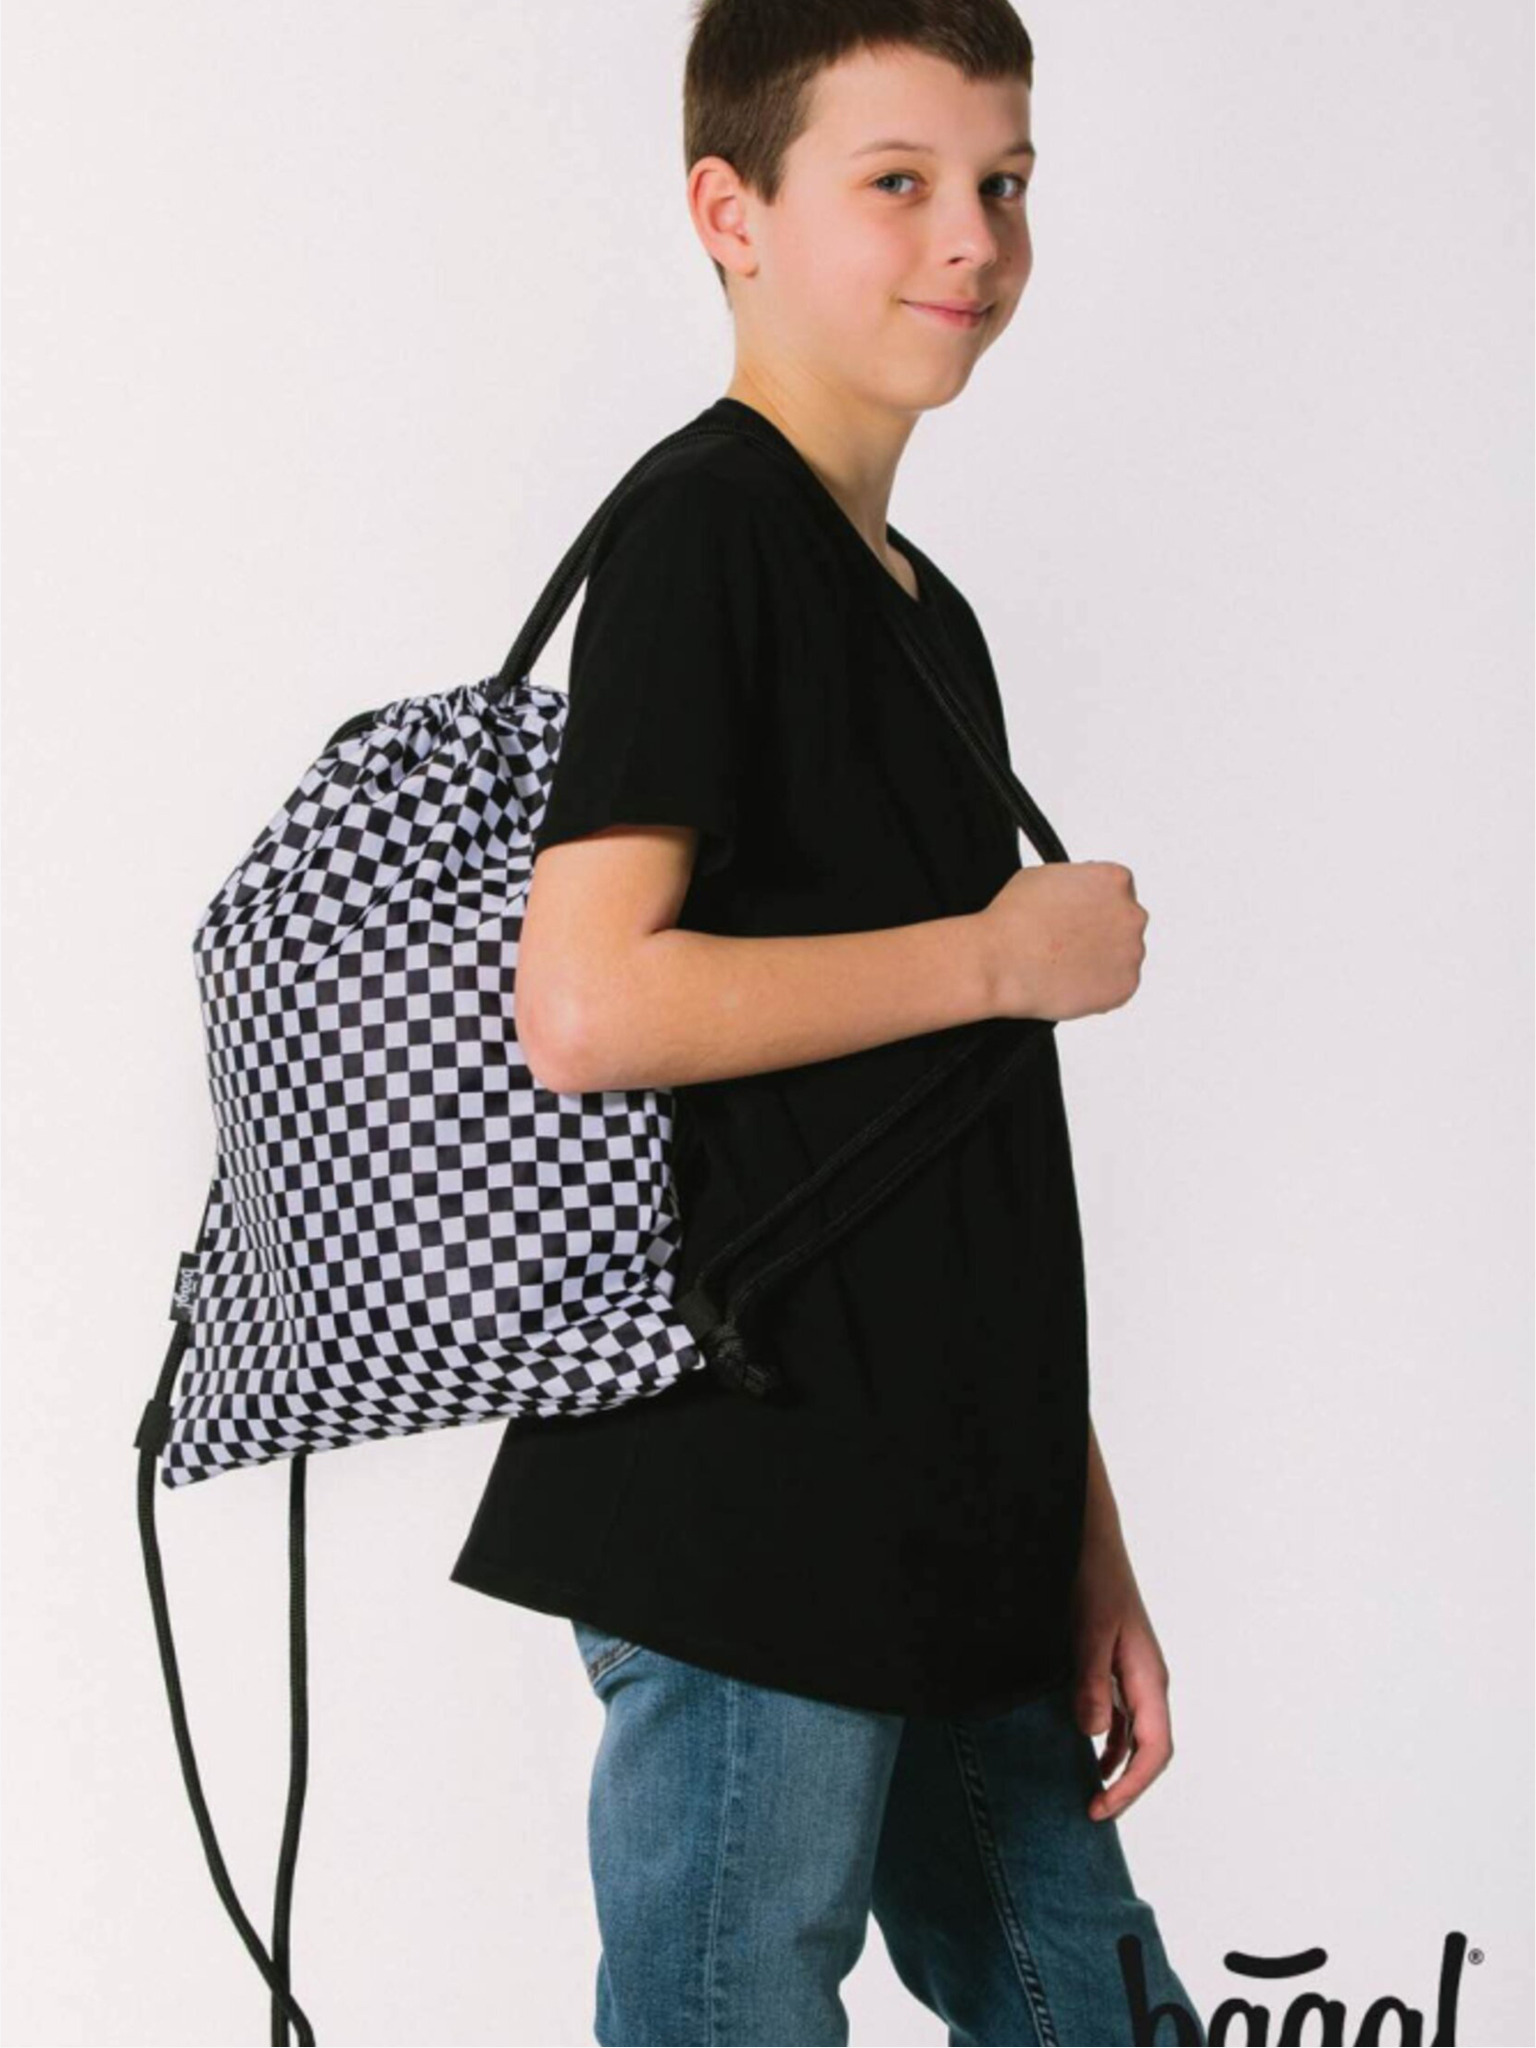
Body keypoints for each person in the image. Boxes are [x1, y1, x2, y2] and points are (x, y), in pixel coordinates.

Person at [451, 4, 1206, 2042]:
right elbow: (587, 999)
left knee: (1089, 2003)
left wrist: (1078, 1538)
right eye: (898, 182)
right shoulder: (711, 529)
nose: (972, 235)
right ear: (733, 214)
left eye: (1003, 182)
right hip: (753, 1490)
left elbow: (951, 1144)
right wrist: (1000, 956)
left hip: (942, 1494)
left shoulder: (920, 608)